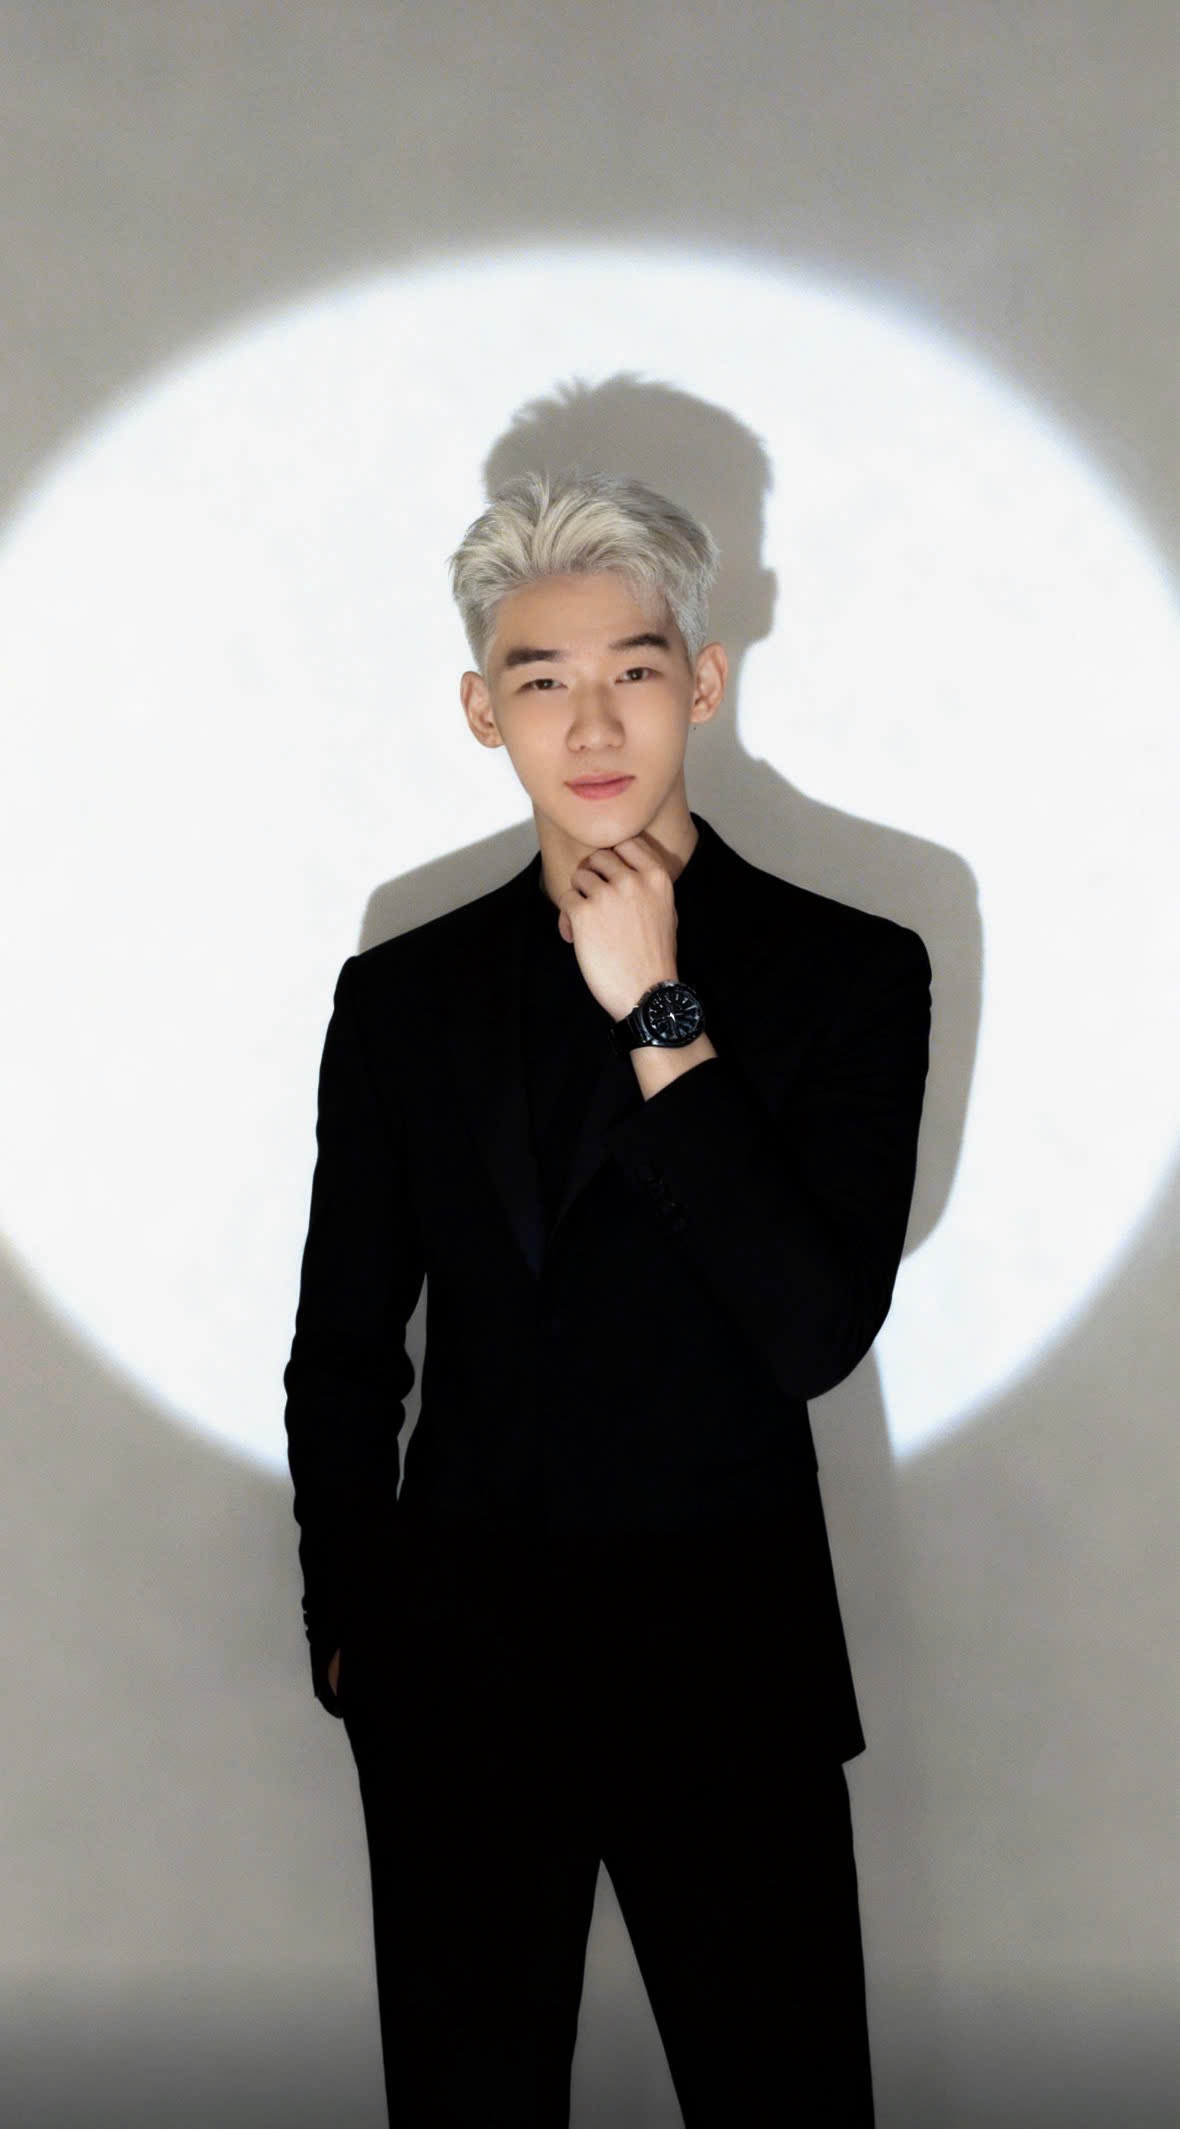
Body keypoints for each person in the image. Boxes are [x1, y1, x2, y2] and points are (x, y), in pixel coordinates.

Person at [282, 468, 932, 2126]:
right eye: (542, 679)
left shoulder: (856, 971)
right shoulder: (400, 993)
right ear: (480, 709)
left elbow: (813, 1328)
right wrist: (353, 1630)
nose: (591, 723)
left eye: (633, 669)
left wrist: (660, 1014)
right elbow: (344, 1349)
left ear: (701, 681)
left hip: (730, 1674)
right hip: (457, 1693)